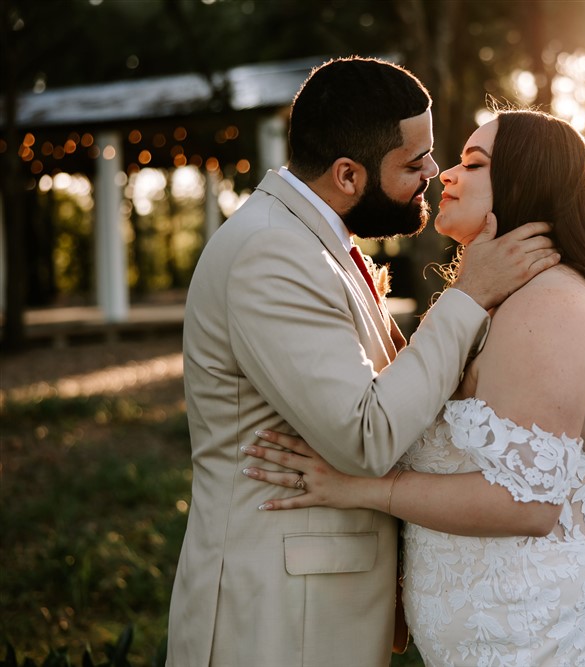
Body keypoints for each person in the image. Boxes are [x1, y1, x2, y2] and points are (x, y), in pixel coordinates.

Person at [166, 58, 559, 667]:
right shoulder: (271, 252)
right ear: (348, 174)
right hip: (279, 619)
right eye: (413, 162)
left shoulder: (311, 240)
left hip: (322, 602)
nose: (435, 171)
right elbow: (363, 435)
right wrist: (466, 295)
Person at [241, 109, 585, 666]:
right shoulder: (495, 300)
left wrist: (360, 487)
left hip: (541, 638)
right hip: (491, 638)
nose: (447, 176)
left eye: (472, 164)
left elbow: (525, 503)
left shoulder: (549, 304)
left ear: (524, 181)